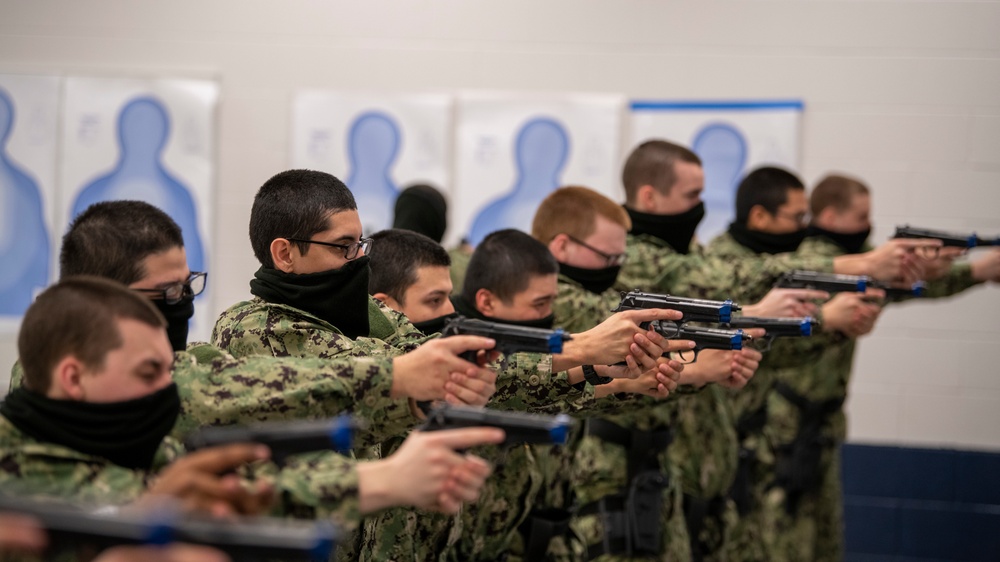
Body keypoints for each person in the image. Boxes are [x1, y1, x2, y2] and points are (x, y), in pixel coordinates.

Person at [5, 200, 504, 534]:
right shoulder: (40, 419)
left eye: (188, 286)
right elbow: (224, 399)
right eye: (169, 294)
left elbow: (227, 480)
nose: (184, 305)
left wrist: (418, 401)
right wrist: (388, 455)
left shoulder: (135, 397)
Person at [763, 172, 1000, 562]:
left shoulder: (866, 267)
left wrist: (974, 270)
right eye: (860, 217)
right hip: (781, 430)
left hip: (823, 424)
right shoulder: (805, 264)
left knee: (824, 544)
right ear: (830, 216)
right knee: (782, 543)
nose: (868, 226)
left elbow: (912, 284)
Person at [533, 186, 766, 561]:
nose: (616, 266)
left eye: (620, 256)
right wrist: (694, 367)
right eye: (607, 256)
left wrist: (700, 367)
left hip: (642, 476)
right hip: (598, 481)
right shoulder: (558, 302)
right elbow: (615, 359)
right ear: (561, 247)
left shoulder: (602, 293)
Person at [616, 140, 936, 302]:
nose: (699, 205)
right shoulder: (627, 255)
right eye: (691, 195)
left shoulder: (685, 249)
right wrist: (856, 265)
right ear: (649, 197)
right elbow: (731, 278)